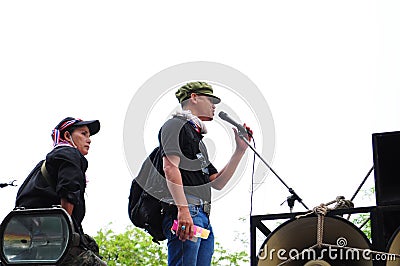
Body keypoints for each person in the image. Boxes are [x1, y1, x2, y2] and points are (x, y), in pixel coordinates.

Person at [159, 81, 252, 266]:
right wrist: (183, 210)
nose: (214, 106)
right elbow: (170, 167)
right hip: (188, 209)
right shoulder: (175, 125)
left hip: (202, 214)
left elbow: (216, 182)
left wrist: (240, 150)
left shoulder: (198, 140)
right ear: (193, 97)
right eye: (210, 100)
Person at [15, 117, 106, 266]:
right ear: (66, 136)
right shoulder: (69, 154)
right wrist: (65, 232)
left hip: (28, 240)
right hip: (51, 239)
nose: (89, 140)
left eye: (89, 136)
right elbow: (69, 189)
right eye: (83, 133)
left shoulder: (44, 164)